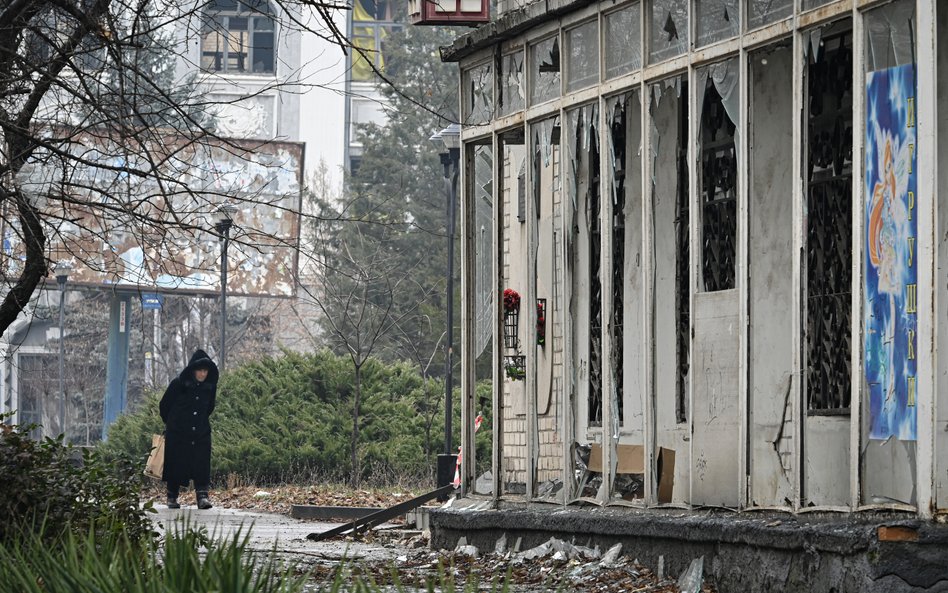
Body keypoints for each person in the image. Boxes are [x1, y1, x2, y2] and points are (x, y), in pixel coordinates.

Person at [159, 349, 219, 509]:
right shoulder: (179, 384)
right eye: (200, 370)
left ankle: (202, 496)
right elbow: (164, 405)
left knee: (201, 464)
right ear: (193, 370)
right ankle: (172, 496)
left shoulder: (209, 387)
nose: (202, 374)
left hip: (200, 432)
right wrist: (172, 423)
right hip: (178, 432)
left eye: (205, 371)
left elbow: (209, 407)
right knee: (176, 463)